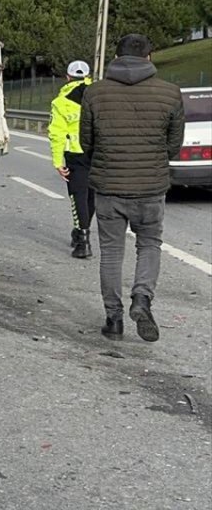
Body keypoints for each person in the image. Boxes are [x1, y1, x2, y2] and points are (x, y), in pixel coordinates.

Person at [79, 33, 184, 343]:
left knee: (111, 254)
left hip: (109, 188)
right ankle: (142, 298)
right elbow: (173, 146)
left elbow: (87, 143)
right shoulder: (170, 93)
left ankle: (114, 320)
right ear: (149, 57)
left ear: (116, 57)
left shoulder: (95, 93)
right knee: (149, 244)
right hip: (151, 188)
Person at [48, 59, 95, 258]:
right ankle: (81, 231)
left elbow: (56, 134)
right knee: (92, 195)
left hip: (76, 154)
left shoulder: (60, 102)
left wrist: (58, 161)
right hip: (99, 152)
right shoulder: (99, 95)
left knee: (78, 195)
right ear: (87, 76)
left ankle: (82, 241)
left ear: (67, 77)